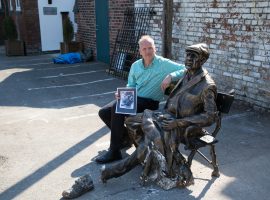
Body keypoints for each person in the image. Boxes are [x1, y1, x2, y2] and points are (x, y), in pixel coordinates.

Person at [61, 43, 217, 199]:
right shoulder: (186, 74)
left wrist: (178, 123)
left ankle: (115, 169)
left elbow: (210, 117)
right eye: (187, 54)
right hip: (165, 116)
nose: (188, 58)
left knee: (150, 140)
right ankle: (142, 152)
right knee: (131, 121)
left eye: (193, 55)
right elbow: (132, 84)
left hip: (182, 126)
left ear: (202, 59)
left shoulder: (207, 85)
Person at [95, 35, 186, 164]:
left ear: (155, 48)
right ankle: (125, 138)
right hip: (134, 99)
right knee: (103, 112)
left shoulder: (164, 64)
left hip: (149, 103)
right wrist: (123, 94)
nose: (148, 51)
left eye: (150, 48)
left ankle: (114, 151)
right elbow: (131, 85)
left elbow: (186, 68)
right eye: (144, 49)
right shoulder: (135, 66)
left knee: (116, 108)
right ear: (140, 51)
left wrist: (171, 76)